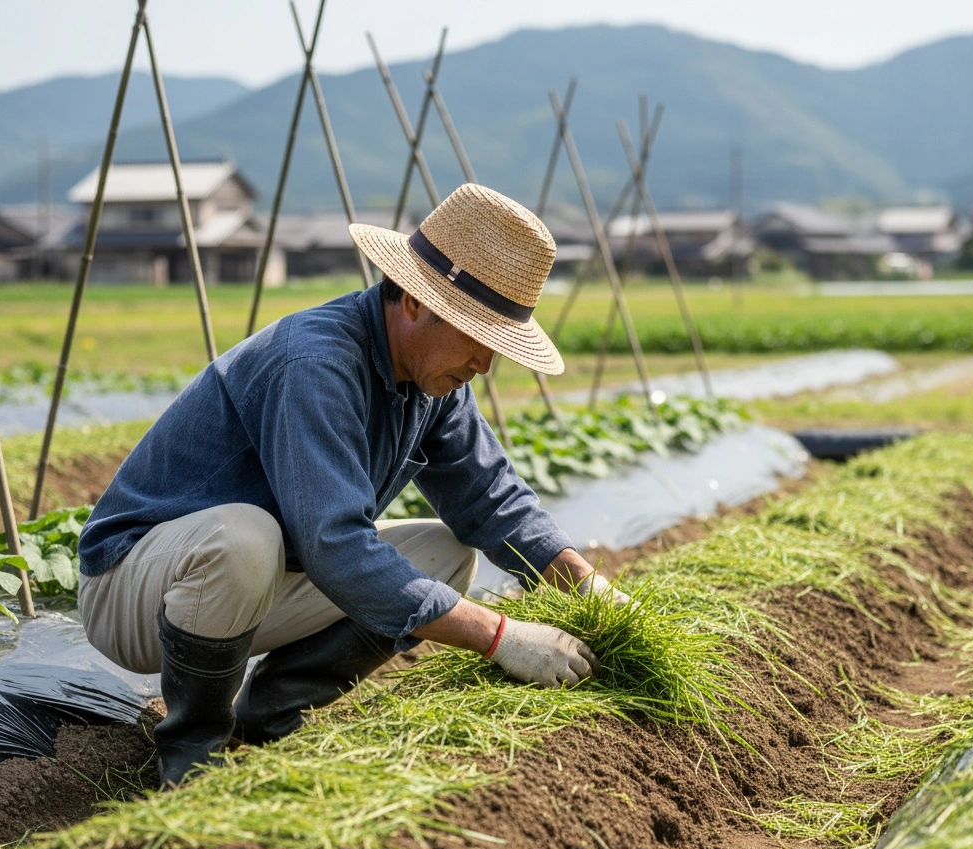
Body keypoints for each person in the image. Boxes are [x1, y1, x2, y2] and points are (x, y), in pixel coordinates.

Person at [77, 183, 627, 787]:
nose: (485, 364)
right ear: (414, 302)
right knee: (245, 537)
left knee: (445, 554)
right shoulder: (316, 362)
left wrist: (590, 588)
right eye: (478, 335)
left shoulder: (431, 382)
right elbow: (335, 545)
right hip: (137, 587)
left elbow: (492, 500)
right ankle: (193, 754)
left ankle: (265, 721)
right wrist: (503, 637)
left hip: (259, 580)